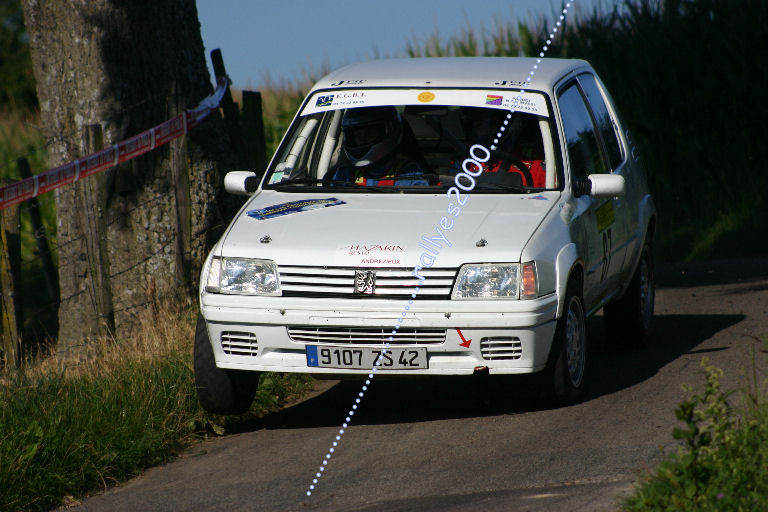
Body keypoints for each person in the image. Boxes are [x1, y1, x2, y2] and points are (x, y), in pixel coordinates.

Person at [331, 106, 431, 186]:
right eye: (358, 135)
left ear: (389, 132)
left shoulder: (409, 172)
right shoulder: (346, 174)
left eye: (370, 134)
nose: (363, 139)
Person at [460, 107, 547, 188]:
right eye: (474, 120)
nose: (475, 125)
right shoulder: (465, 164)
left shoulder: (535, 168)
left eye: (482, 120)